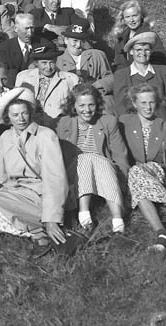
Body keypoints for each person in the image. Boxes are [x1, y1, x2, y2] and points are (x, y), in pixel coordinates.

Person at [0, 87, 68, 246]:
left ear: (31, 113)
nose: (21, 119)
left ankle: (37, 229)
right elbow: (3, 177)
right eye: (15, 115)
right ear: (7, 117)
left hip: (40, 196)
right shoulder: (5, 137)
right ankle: (33, 230)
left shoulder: (45, 135)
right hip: (14, 193)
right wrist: (3, 196)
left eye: (24, 113)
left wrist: (52, 218)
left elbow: (55, 180)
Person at [119, 83, 166, 250]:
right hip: (136, 175)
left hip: (159, 172)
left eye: (151, 102)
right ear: (134, 103)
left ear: (157, 103)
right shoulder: (124, 122)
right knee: (136, 180)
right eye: (143, 103)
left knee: (136, 172)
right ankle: (162, 233)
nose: (148, 107)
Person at [56, 83, 129, 233]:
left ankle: (117, 219)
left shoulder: (108, 121)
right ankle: (84, 213)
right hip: (75, 170)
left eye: (91, 105)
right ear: (73, 105)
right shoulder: (64, 122)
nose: (87, 110)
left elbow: (119, 153)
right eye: (82, 105)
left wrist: (123, 180)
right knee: (86, 158)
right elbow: (59, 155)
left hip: (103, 169)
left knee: (96, 159)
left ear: (97, 104)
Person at [113, 32, 166, 122]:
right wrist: (129, 125)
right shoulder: (121, 75)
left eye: (147, 50)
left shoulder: (162, 71)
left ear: (151, 51)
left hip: (161, 122)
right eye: (138, 50)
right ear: (131, 52)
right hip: (135, 124)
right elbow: (120, 107)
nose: (143, 53)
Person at [15, 42, 79, 129]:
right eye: (44, 63)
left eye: (51, 62)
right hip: (28, 127)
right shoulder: (23, 77)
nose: (48, 67)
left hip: (57, 128)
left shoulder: (70, 79)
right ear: (36, 63)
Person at [56, 23, 114, 113]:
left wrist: (95, 87)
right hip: (69, 99)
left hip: (95, 96)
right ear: (66, 40)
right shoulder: (58, 60)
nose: (79, 45)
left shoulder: (97, 55)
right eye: (75, 41)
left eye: (82, 41)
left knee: (108, 102)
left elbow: (110, 78)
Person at [111, 0, 166, 70]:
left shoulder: (150, 36)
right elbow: (119, 62)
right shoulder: (121, 36)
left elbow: (160, 60)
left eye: (134, 16)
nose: (131, 20)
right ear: (123, 19)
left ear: (142, 16)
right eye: (127, 17)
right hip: (125, 73)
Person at [0, 13, 37, 86]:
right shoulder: (4, 48)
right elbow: (4, 73)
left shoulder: (42, 44)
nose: (30, 33)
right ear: (16, 29)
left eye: (32, 28)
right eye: (26, 28)